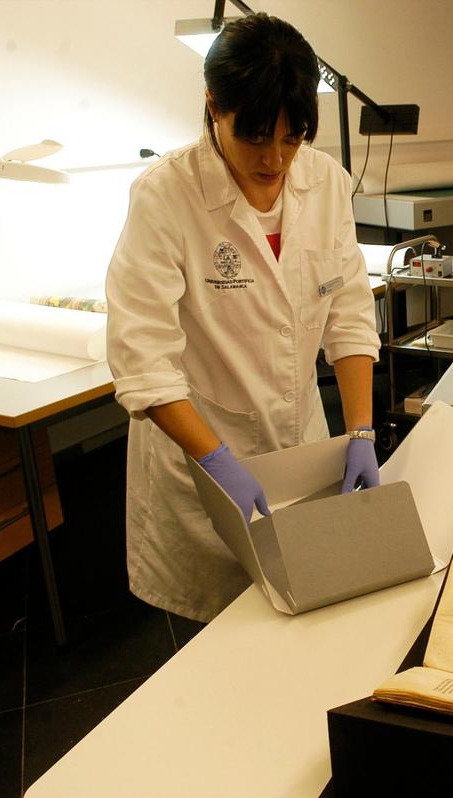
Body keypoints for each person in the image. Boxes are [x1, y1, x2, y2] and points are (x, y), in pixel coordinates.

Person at [105, 13, 380, 622]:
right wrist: (216, 463)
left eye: (291, 138)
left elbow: (350, 316)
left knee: (305, 615)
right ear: (213, 106)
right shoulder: (165, 196)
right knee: (213, 651)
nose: (275, 160)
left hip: (299, 444)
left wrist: (359, 431)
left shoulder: (326, 183)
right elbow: (142, 359)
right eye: (255, 137)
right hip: (200, 461)